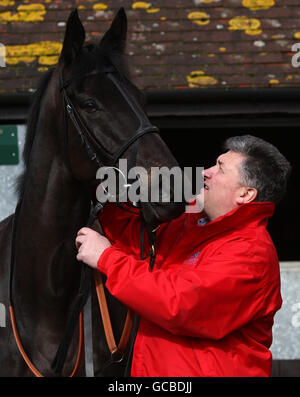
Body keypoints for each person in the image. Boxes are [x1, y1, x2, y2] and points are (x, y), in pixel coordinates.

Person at [75, 134, 291, 377]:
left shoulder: (251, 253)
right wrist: (97, 186)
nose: (205, 172)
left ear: (245, 195)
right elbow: (139, 243)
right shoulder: (191, 225)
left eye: (220, 169)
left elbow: (178, 303)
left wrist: (106, 258)